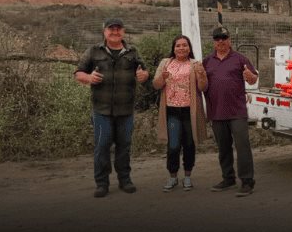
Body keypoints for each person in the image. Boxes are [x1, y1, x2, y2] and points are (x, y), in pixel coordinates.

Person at [75, 18, 149, 198]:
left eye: (118, 29)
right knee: (102, 146)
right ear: (104, 31)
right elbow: (78, 73)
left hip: (126, 110)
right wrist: (89, 78)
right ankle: (102, 183)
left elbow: (145, 72)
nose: (115, 32)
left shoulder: (132, 51)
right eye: (111, 29)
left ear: (123, 32)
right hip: (102, 110)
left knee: (124, 146)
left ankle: (125, 180)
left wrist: (143, 75)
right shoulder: (93, 51)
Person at [202, 26, 259, 197]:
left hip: (237, 111)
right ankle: (228, 178)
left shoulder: (240, 59)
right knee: (223, 147)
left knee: (242, 146)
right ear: (214, 42)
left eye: (224, 38)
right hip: (217, 111)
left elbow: (253, 78)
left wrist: (249, 76)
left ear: (229, 40)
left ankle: (247, 181)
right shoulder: (207, 61)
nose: (221, 41)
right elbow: (202, 84)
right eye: (217, 39)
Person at [152, 34, 208, 192]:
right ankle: (173, 176)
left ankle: (188, 176)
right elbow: (156, 85)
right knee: (174, 145)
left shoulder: (195, 64)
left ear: (189, 48)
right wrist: (162, 78)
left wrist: (202, 74)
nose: (181, 48)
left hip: (190, 111)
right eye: (178, 45)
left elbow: (203, 87)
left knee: (189, 144)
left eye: (185, 45)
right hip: (172, 111)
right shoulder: (165, 63)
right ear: (173, 48)